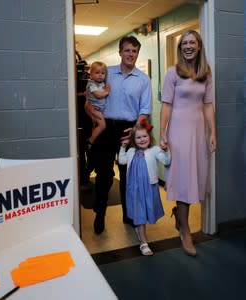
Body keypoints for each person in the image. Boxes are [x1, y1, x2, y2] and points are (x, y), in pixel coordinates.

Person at [85, 36, 152, 234]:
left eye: (134, 51)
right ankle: (100, 213)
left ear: (137, 53)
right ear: (120, 52)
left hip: (129, 130)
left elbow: (144, 110)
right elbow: (90, 98)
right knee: (104, 175)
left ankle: (128, 214)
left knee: (127, 175)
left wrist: (134, 130)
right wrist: (90, 112)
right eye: (127, 50)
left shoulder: (143, 80)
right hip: (107, 129)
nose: (130, 54)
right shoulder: (107, 74)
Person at [160, 30, 216, 256]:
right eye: (184, 43)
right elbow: (166, 105)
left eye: (192, 42)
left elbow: (209, 105)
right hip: (178, 133)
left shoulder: (206, 74)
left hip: (198, 132)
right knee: (183, 180)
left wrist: (213, 133)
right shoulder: (172, 73)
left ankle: (180, 218)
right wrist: (163, 133)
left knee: (196, 179)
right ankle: (185, 229)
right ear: (180, 47)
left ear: (199, 46)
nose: (188, 46)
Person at [118, 120, 171, 256]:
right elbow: (122, 160)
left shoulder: (154, 150)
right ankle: (143, 243)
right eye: (138, 137)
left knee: (145, 212)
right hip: (134, 189)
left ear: (150, 137)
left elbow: (166, 161)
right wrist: (123, 148)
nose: (142, 140)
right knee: (140, 213)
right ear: (134, 140)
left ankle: (140, 232)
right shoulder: (130, 151)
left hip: (148, 188)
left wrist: (167, 149)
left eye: (145, 136)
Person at [85, 61, 110, 150]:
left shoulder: (101, 83)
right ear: (91, 74)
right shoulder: (92, 84)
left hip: (99, 109)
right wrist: (106, 91)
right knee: (102, 126)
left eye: (103, 73)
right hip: (95, 109)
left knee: (96, 124)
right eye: (97, 72)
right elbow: (98, 95)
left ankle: (93, 137)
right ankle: (90, 140)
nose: (100, 75)